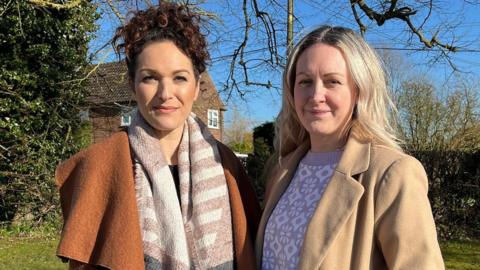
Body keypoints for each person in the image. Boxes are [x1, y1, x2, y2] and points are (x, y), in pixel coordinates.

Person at [55, 2, 261, 269]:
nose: (165, 94)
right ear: (132, 85)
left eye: (180, 78)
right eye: (150, 78)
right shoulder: (99, 166)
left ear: (197, 88)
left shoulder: (227, 164)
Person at [255, 26, 444, 269]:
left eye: (332, 81)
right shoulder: (281, 170)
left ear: (359, 91)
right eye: (305, 81)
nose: (316, 95)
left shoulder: (393, 173)